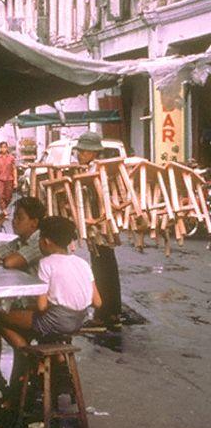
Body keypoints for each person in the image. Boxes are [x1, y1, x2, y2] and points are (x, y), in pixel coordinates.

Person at [0, 216, 102, 404]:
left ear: (45, 241)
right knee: (33, 319)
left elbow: (41, 306)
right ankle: (56, 364)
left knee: (0, 318)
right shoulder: (82, 263)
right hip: (78, 320)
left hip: (55, 321)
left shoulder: (47, 263)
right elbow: (97, 302)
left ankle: (30, 357)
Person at [75, 131, 123, 330]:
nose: (79, 155)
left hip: (100, 226)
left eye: (82, 151)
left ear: (91, 152)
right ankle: (112, 313)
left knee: (102, 268)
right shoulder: (96, 167)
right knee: (108, 266)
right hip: (101, 225)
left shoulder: (97, 170)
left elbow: (102, 200)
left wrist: (93, 219)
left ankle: (103, 315)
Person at [0, 196, 46, 273]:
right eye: (14, 217)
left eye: (20, 218)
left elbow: (9, 263)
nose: (14, 221)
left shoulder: (40, 241)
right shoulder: (19, 241)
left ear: (34, 222)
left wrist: (6, 257)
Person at [0, 141, 17, 214]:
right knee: (0, 195)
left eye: (5, 147)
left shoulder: (11, 158)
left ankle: (4, 207)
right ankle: (3, 210)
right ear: (0, 149)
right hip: (0, 179)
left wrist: (15, 180)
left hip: (9, 179)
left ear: (7, 148)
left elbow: (14, 169)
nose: (3, 149)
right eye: (2, 147)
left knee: (8, 196)